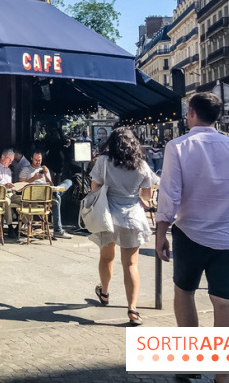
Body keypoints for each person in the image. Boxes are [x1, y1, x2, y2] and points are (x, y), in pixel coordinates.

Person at [156, 93, 229, 383]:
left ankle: (190, 362)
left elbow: (169, 193)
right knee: (225, 303)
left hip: (189, 232)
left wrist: (161, 232)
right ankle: (222, 376)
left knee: (184, 292)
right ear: (217, 116)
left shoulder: (178, 146)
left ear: (191, 112)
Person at [87, 128, 156, 326]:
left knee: (106, 257)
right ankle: (132, 309)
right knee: (131, 264)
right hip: (132, 217)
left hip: (107, 216)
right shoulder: (141, 164)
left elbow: (94, 187)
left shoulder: (103, 161)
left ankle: (104, 292)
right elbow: (147, 196)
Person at [14, 151, 73, 237]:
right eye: (36, 160)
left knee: (68, 182)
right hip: (33, 196)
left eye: (39, 160)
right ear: (31, 158)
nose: (38, 162)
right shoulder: (26, 169)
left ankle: (56, 193)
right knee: (57, 197)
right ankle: (58, 230)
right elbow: (20, 186)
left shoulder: (44, 169)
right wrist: (33, 178)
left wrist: (46, 175)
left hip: (46, 195)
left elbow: (51, 185)